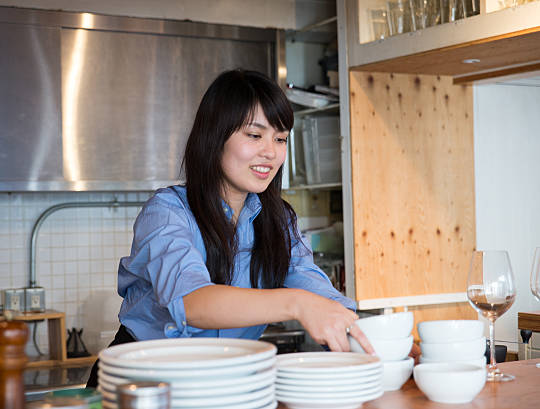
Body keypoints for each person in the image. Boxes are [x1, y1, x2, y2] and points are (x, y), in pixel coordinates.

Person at [86, 69, 374, 388]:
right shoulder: (168, 212)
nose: (270, 151)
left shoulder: (279, 220)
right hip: (139, 384)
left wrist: (370, 336)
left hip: (219, 384)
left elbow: (311, 286)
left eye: (280, 139)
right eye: (255, 135)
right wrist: (297, 304)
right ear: (215, 136)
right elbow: (192, 303)